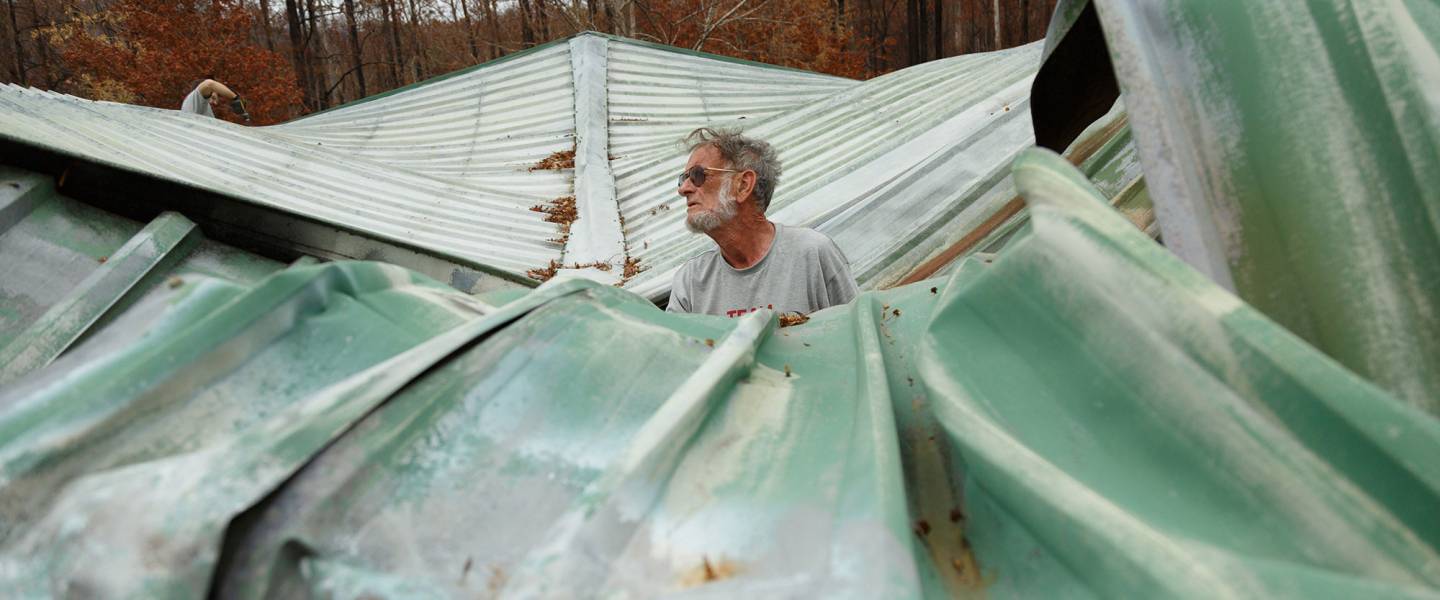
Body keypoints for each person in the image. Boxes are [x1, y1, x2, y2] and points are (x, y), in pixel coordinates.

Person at [666, 127, 859, 317]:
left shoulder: (812, 254)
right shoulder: (691, 281)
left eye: (697, 175)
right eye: (683, 178)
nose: (683, 189)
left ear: (743, 185)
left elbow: (858, 332)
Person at [180, 79, 249, 121]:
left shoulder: (198, 109)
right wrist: (235, 98)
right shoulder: (195, 100)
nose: (215, 103)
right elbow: (209, 84)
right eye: (213, 98)